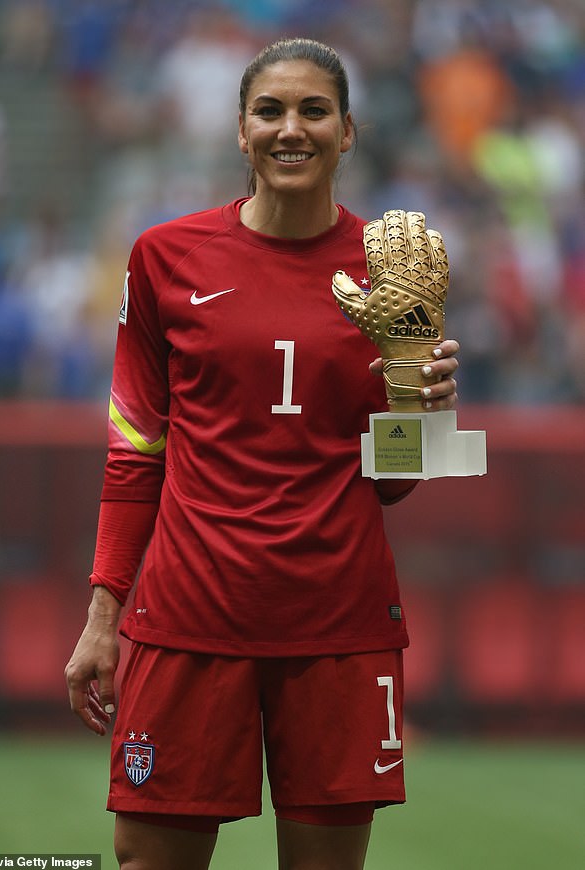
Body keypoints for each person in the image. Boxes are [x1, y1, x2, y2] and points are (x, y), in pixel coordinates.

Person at [65, 37, 459, 870]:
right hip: (188, 615)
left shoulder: (393, 271)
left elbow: (395, 486)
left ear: (348, 131)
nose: (292, 129)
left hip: (337, 624)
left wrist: (413, 397)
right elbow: (136, 452)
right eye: (270, 111)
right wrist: (103, 613)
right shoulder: (165, 258)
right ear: (239, 131)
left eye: (314, 111)